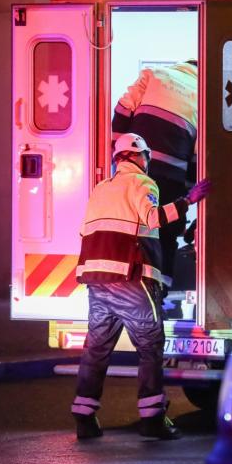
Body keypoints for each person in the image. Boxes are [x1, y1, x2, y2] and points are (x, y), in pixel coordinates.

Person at [71, 132, 210, 441]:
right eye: (147, 156)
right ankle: (153, 418)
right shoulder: (143, 184)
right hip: (128, 279)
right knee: (150, 346)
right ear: (136, 156)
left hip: (96, 281)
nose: (149, 162)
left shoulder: (100, 188)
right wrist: (188, 201)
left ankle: (84, 414)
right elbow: (152, 218)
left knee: (96, 349)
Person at [111, 60, 198, 294]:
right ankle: (159, 292)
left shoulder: (154, 74)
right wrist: (187, 190)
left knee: (133, 226)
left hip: (137, 166)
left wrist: (118, 153)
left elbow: (122, 108)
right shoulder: (204, 93)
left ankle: (128, 286)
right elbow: (196, 155)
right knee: (167, 233)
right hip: (171, 174)